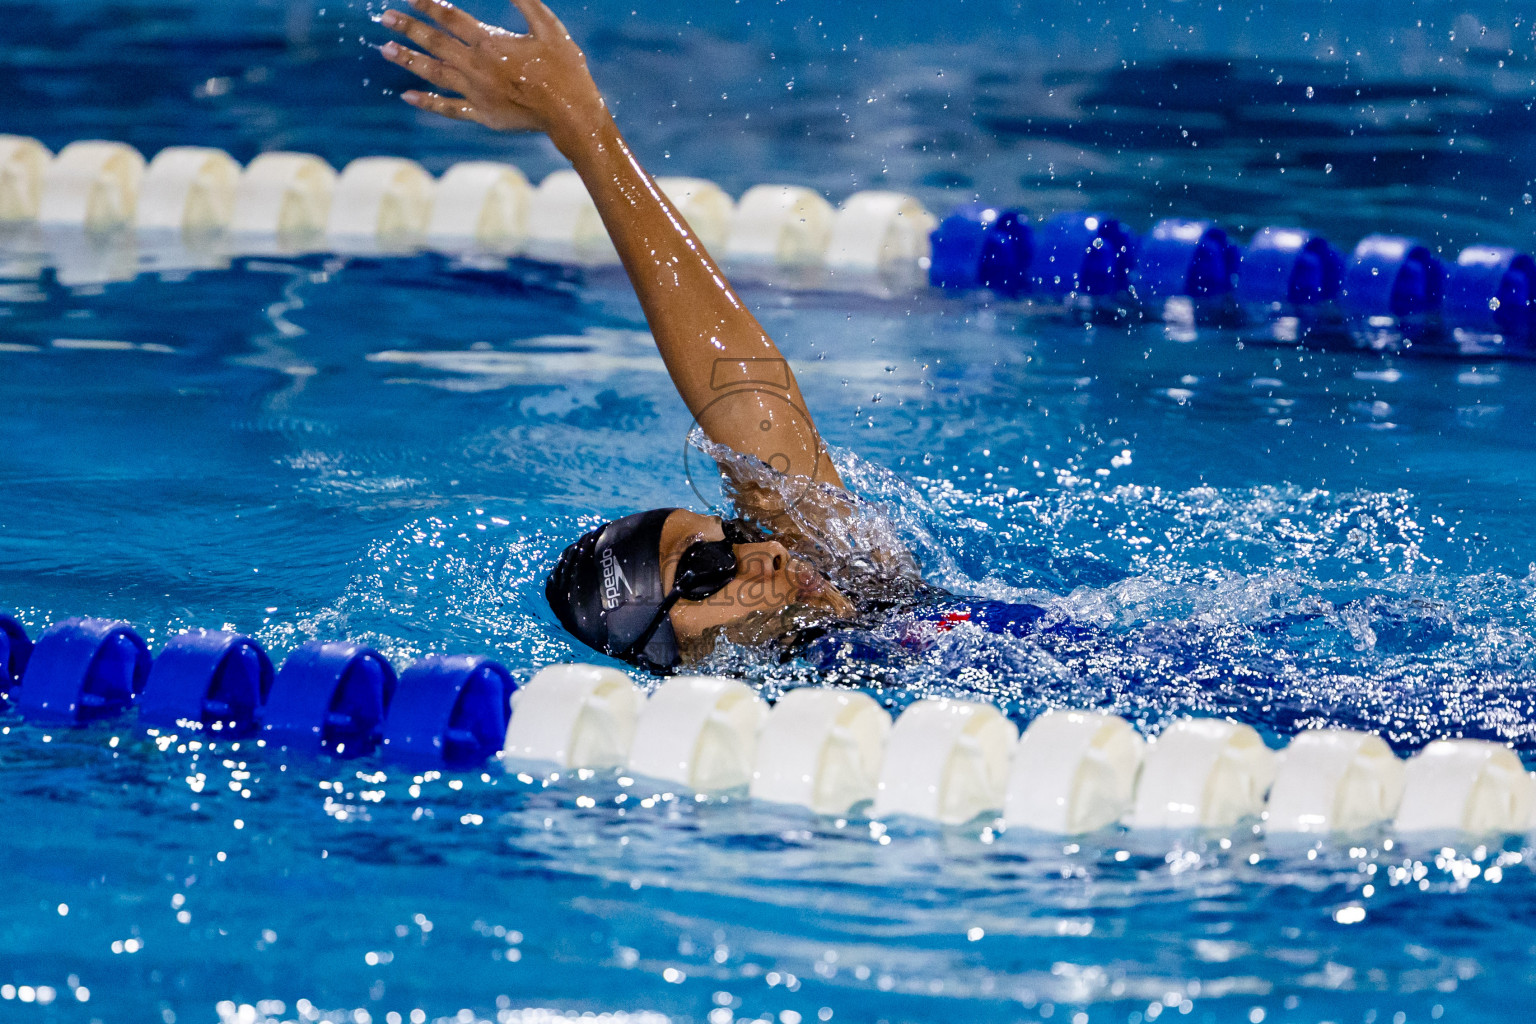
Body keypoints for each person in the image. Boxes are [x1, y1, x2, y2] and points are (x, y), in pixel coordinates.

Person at [380, 0, 1045, 673]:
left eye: (734, 535)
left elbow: (746, 398)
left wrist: (582, 126)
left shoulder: (873, 593)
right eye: (703, 570)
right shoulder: (826, 701)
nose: (770, 552)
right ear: (668, 651)